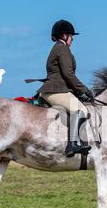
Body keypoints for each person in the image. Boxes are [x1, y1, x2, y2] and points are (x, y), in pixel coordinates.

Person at [37, 19, 93, 157]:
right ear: (64, 36)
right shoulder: (62, 49)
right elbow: (68, 74)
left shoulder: (59, 48)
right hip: (55, 89)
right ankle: (72, 145)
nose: (72, 38)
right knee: (80, 110)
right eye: (71, 35)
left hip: (58, 88)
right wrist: (84, 89)